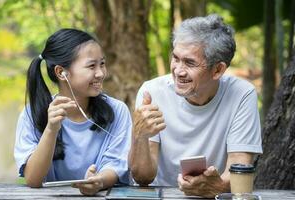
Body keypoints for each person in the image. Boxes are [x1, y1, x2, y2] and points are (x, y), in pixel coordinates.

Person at [129, 14, 262, 198]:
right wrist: (140, 135)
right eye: (176, 58)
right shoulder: (152, 92)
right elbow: (143, 177)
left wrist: (214, 187)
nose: (178, 71)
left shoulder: (242, 94)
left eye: (190, 63)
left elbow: (239, 171)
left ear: (218, 70)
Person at [14, 28, 132, 195]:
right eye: (92, 66)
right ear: (61, 72)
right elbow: (33, 179)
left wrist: (99, 181)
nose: (101, 73)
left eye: (102, 64)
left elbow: (116, 164)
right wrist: (51, 129)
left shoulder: (118, 111)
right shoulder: (31, 114)